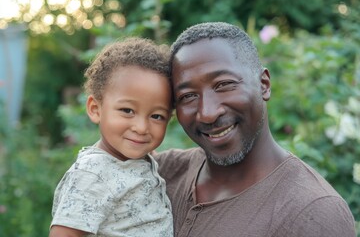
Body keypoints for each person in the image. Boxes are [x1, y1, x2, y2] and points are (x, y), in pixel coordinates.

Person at [155, 22, 356, 237]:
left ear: (264, 84)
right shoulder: (160, 174)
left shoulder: (312, 213)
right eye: (188, 96)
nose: (207, 113)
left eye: (224, 84)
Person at [49, 37, 174, 237]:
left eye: (156, 116)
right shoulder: (93, 173)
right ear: (95, 109)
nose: (142, 128)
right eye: (127, 110)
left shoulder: (135, 160)